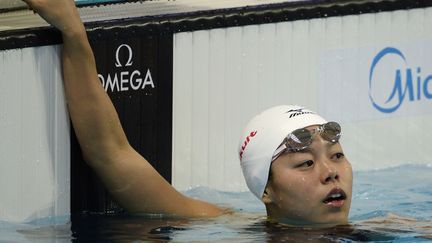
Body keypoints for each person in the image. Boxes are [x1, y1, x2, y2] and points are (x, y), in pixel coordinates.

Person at [21, 0, 352, 227]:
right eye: (306, 163)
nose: (330, 172)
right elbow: (110, 155)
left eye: (336, 156)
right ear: (266, 190)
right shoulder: (223, 228)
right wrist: (74, 32)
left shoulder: (390, 229)